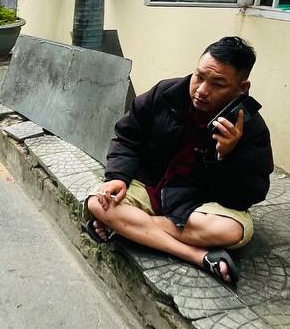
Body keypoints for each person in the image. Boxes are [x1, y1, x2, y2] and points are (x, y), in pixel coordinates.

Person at [85, 37, 273, 287]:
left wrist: (226, 156)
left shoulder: (251, 129)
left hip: (196, 203)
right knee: (98, 202)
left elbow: (246, 196)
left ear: (242, 88)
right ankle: (197, 255)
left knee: (232, 231)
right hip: (150, 186)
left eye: (217, 84)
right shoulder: (165, 94)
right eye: (199, 76)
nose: (202, 90)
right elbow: (127, 137)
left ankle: (128, 228)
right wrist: (117, 177)